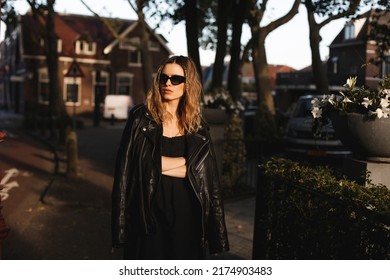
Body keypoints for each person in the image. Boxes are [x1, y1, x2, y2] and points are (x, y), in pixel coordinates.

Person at [111, 55, 229, 260]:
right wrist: (186, 162)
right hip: (147, 215)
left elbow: (210, 179)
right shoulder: (141, 118)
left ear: (188, 84)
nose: (167, 83)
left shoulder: (197, 125)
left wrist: (217, 233)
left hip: (188, 217)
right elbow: (126, 171)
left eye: (176, 79)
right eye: (163, 78)